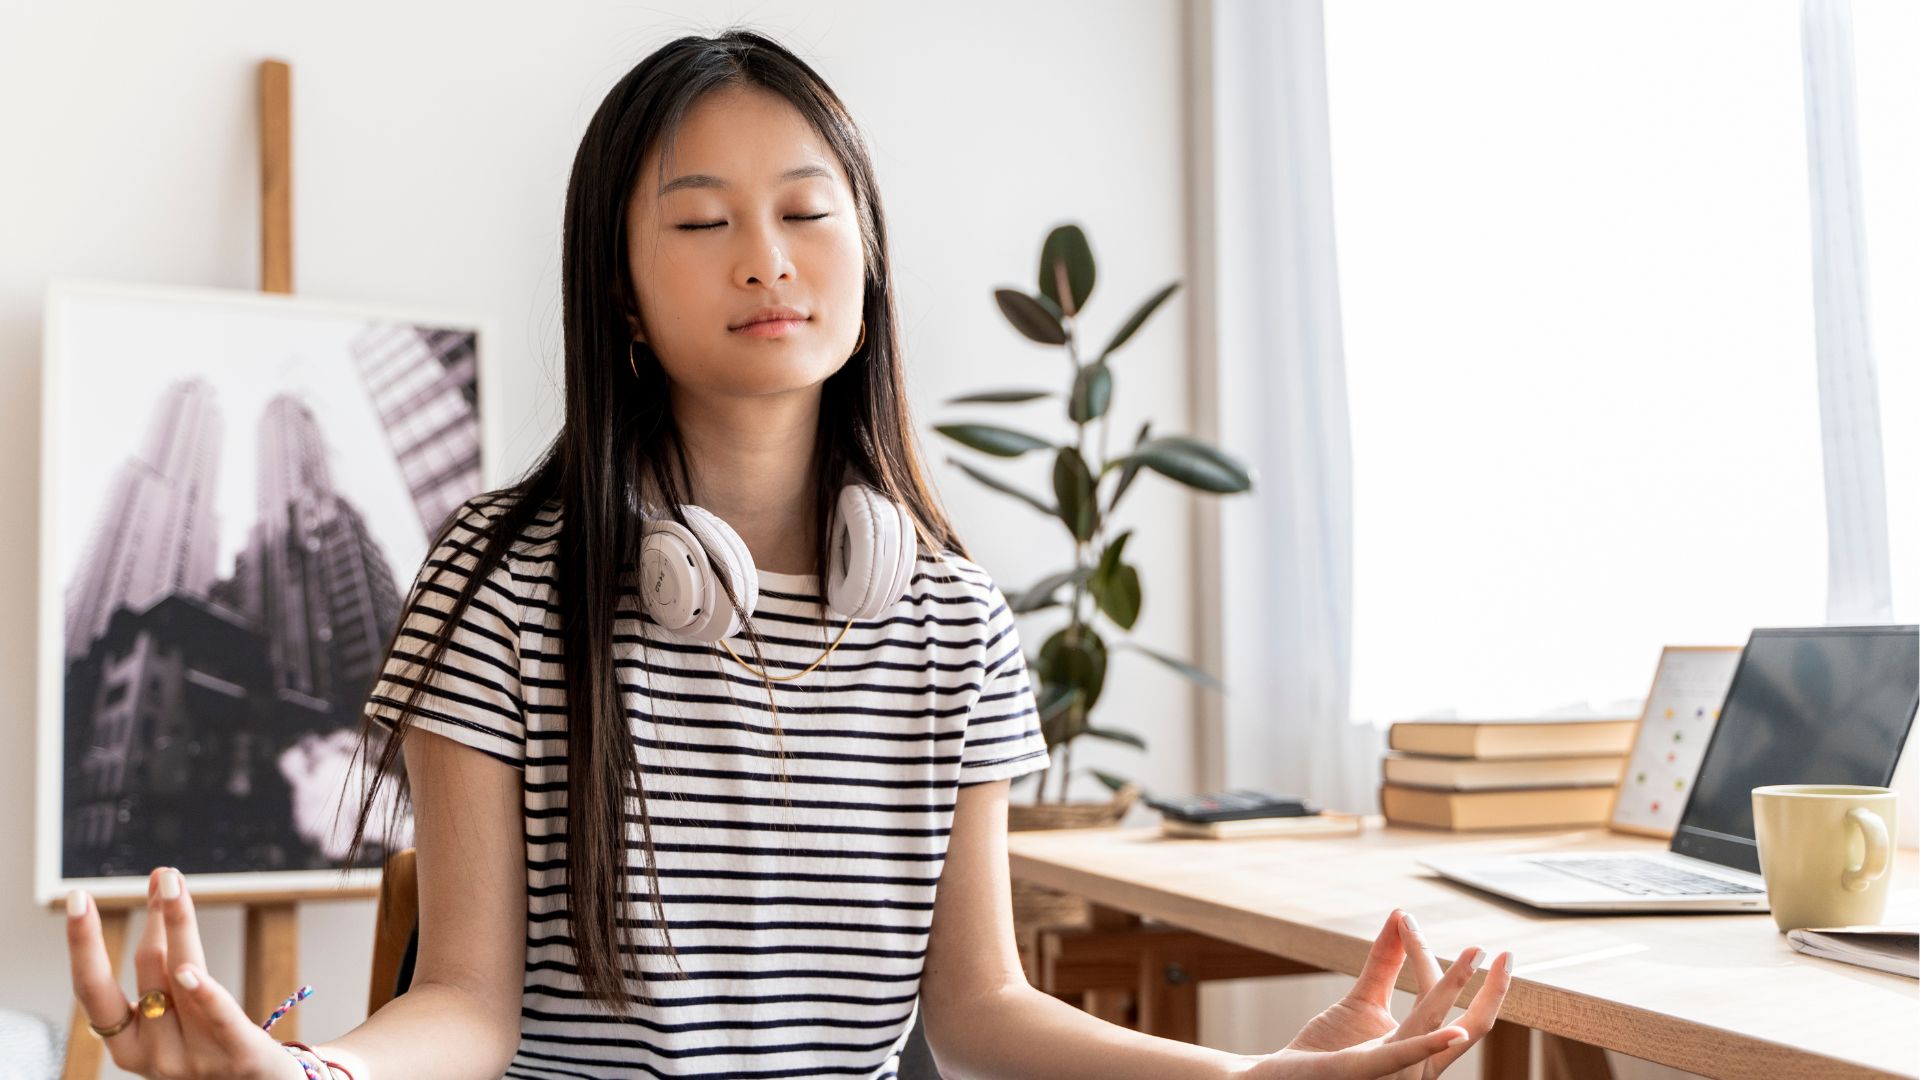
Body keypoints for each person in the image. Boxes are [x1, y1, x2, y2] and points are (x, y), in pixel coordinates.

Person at [63, 27, 1512, 1080]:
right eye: (701, 223)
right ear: (621, 298)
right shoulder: (504, 581)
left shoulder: (951, 617)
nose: (767, 255)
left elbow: (980, 1009)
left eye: (808, 211)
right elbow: (465, 1005)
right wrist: (317, 1079)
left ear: (866, 259)